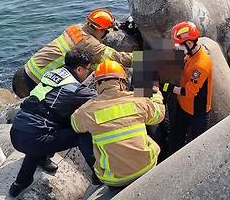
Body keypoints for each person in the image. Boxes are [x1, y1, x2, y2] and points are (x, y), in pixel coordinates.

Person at [9, 48, 97, 197]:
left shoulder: (53, 74)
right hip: (34, 138)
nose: (88, 73)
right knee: (82, 133)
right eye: (88, 69)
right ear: (79, 69)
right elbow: (103, 100)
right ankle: (98, 175)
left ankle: (20, 183)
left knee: (41, 132)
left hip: (17, 132)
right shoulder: (74, 89)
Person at [70, 60, 165, 188]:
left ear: (97, 83)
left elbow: (75, 125)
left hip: (114, 180)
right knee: (146, 120)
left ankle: (97, 176)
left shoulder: (88, 110)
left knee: (82, 135)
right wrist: (156, 94)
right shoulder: (138, 100)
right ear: (121, 81)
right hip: (147, 167)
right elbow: (159, 115)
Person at [12, 8, 133, 98]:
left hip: (24, 71)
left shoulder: (76, 28)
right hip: (33, 82)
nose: (107, 35)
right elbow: (119, 59)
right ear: (99, 30)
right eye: (106, 32)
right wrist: (147, 57)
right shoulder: (90, 44)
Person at [161, 21, 213, 155]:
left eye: (179, 45)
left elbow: (189, 92)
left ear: (189, 43)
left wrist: (167, 87)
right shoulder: (190, 53)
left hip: (197, 112)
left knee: (196, 146)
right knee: (176, 138)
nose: (176, 47)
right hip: (183, 106)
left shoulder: (201, 65)